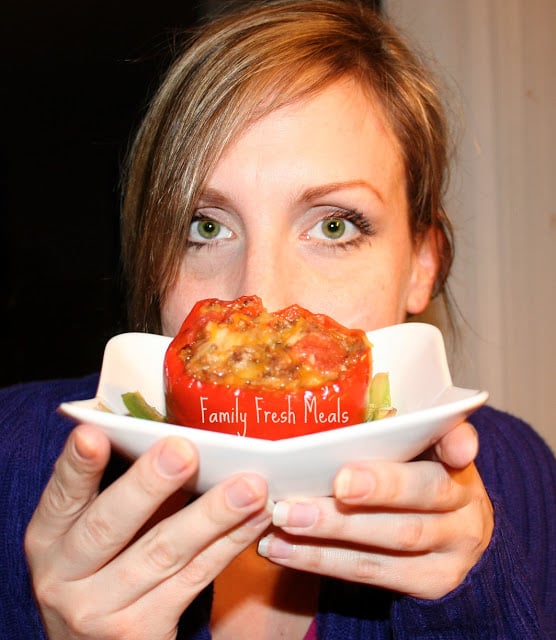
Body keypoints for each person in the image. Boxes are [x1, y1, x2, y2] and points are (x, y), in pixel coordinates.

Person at [1, 1, 554, 638]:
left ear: (422, 266)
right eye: (205, 227)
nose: (259, 299)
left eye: (334, 225)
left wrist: (470, 608)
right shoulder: (10, 460)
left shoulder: (521, 478)